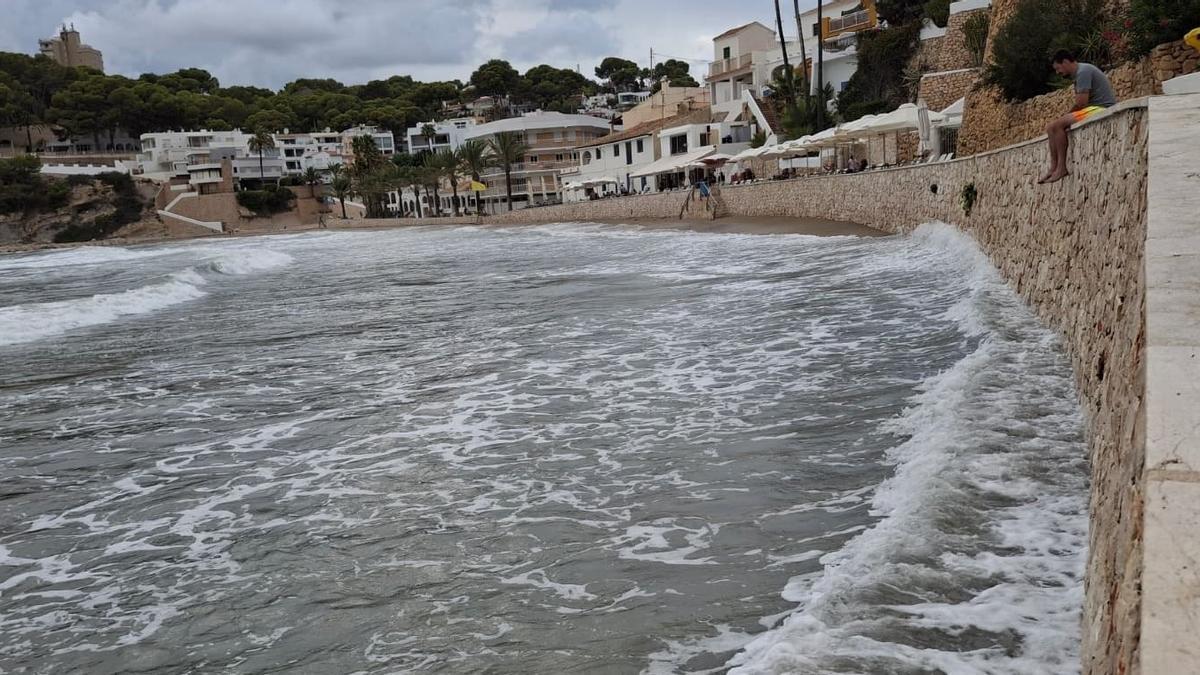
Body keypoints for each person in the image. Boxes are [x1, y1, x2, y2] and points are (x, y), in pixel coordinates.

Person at [1040, 50, 1117, 184]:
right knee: (1050, 127)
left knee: (1058, 125)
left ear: (1065, 62)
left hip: (1101, 107)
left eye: (1058, 68)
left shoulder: (1083, 72)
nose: (1058, 73)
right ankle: (1053, 167)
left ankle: (1061, 167)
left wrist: (1065, 117)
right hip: (1093, 107)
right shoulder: (1079, 73)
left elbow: (1081, 103)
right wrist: (1066, 116)